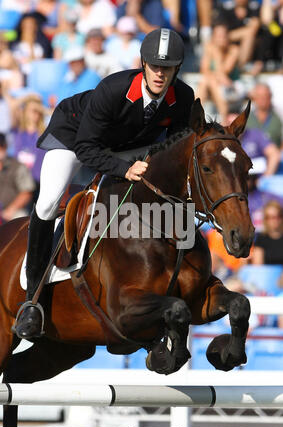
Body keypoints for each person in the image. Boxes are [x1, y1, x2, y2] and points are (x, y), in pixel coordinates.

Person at [12, 28, 195, 340]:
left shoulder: (183, 98)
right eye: (154, 66)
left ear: (177, 69)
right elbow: (86, 148)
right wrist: (124, 169)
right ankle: (32, 299)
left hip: (127, 146)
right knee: (47, 202)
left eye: (168, 67)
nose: (160, 74)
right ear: (143, 64)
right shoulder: (113, 89)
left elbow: (174, 150)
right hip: (75, 136)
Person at [196, 23, 242, 124]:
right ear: (213, 37)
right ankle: (197, 116)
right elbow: (204, 69)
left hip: (232, 87)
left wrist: (217, 54)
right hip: (217, 86)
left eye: (224, 35)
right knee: (206, 81)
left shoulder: (234, 50)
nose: (221, 39)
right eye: (218, 36)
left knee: (209, 81)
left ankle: (222, 118)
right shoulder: (210, 49)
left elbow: (225, 71)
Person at [0, 133, 35, 222]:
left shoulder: (18, 166)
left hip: (11, 211)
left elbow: (27, 192)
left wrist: (10, 210)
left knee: (21, 219)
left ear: (6, 146)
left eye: (1, 146)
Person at [247, 82, 283, 149]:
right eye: (259, 96)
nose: (263, 99)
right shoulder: (246, 116)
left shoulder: (279, 114)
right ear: (254, 98)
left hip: (277, 156)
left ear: (270, 97)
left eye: (266, 96)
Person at [251, 200, 283, 264]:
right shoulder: (261, 239)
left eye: (278, 216)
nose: (275, 220)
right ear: (265, 219)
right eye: (270, 217)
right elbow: (258, 265)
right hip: (267, 273)